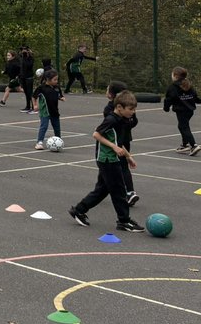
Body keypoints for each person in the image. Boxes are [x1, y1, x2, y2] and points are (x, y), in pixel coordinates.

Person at [69, 91, 144, 232]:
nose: (133, 112)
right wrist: (114, 147)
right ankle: (124, 221)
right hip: (107, 159)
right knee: (119, 190)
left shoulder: (122, 120)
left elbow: (118, 141)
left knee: (103, 189)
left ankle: (78, 210)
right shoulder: (111, 119)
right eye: (131, 109)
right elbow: (96, 134)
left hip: (112, 158)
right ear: (120, 107)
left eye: (134, 109)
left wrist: (128, 156)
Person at [103, 80, 138, 207]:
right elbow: (134, 122)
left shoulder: (110, 108)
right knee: (120, 166)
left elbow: (105, 128)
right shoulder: (127, 105)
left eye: (107, 90)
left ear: (111, 95)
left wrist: (123, 126)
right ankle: (128, 191)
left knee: (118, 166)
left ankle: (128, 192)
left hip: (116, 141)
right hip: (125, 138)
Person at [163, 66, 199, 155]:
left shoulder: (172, 87)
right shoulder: (189, 85)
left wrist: (166, 108)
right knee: (182, 126)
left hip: (181, 110)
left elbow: (169, 99)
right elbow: (195, 97)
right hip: (190, 110)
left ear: (175, 76)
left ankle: (193, 145)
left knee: (184, 127)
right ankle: (184, 144)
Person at [34, 68, 65, 150]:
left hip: (54, 110)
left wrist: (61, 98)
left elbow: (58, 95)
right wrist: (35, 105)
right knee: (44, 126)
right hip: (45, 111)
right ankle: (39, 142)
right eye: (55, 79)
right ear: (48, 79)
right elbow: (34, 96)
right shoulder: (42, 88)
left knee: (57, 127)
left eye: (57, 79)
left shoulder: (57, 87)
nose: (56, 81)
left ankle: (58, 140)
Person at [18, 46, 35, 113]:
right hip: (23, 77)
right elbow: (22, 67)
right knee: (26, 93)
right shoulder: (22, 58)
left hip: (29, 78)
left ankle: (34, 107)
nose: (23, 52)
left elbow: (29, 66)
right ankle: (28, 106)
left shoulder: (30, 58)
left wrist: (26, 55)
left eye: (25, 50)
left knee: (30, 93)